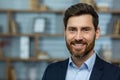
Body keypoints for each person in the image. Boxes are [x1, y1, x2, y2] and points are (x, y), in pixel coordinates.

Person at [42, 3, 120, 80]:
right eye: (72, 30)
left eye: (85, 30)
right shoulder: (51, 72)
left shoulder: (115, 75)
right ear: (65, 32)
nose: (78, 37)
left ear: (97, 33)